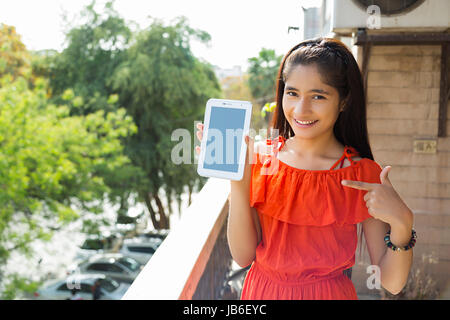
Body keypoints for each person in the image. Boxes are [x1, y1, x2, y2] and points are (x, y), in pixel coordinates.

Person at [195, 37, 415, 300]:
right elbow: (243, 256)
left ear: (344, 101)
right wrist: (238, 181)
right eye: (292, 93)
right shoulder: (260, 160)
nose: (301, 109)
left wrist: (403, 222)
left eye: (318, 96)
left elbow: (392, 282)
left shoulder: (362, 175)